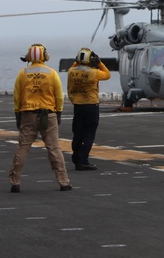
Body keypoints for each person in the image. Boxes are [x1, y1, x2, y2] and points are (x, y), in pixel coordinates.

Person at [9, 43, 71, 192]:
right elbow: (59, 97)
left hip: (28, 115)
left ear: (29, 56)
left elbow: (17, 97)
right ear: (44, 56)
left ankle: (15, 182)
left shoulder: (22, 74)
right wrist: (59, 113)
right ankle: (64, 182)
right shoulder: (52, 73)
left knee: (23, 148)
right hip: (49, 115)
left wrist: (18, 115)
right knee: (54, 149)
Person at [67, 47, 111, 171]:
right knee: (89, 134)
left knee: (77, 133)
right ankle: (83, 160)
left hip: (78, 106)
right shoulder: (94, 72)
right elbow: (107, 74)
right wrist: (99, 62)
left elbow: (75, 67)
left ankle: (76, 157)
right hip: (91, 105)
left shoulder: (71, 71)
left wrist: (77, 62)